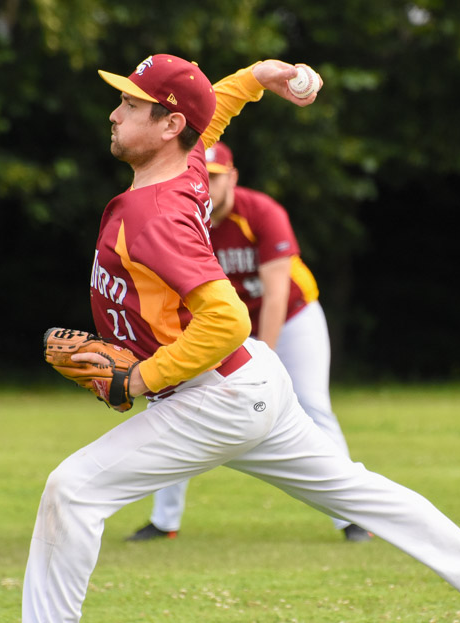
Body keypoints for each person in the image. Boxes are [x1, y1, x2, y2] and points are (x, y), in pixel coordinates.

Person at [22, 53, 460, 623]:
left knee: (72, 489)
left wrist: (139, 378)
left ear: (170, 125)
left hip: (212, 396)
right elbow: (212, 111)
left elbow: (228, 320)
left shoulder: (155, 214)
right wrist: (257, 76)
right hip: (247, 381)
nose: (115, 113)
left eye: (131, 105)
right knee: (354, 489)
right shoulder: (189, 165)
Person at [126, 140, 372, 543]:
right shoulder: (184, 219)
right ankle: (164, 521)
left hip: (292, 317)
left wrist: (264, 360)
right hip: (221, 326)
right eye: (203, 176)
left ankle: (353, 517)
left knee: (313, 405)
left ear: (233, 178)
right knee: (177, 401)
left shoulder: (261, 212)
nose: (209, 184)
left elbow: (275, 294)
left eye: (217, 176)